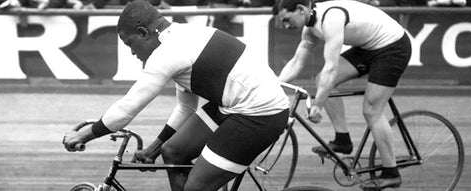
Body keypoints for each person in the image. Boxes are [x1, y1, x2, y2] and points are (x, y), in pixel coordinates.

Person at [62, 1, 290, 191]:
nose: (132, 52)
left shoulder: (167, 53)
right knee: (171, 151)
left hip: (260, 116)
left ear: (143, 33)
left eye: (130, 44)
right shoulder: (181, 35)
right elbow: (186, 108)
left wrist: (84, 135)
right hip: (234, 105)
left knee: (195, 188)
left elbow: (126, 109)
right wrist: (155, 147)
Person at [273, 0, 412, 190]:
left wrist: (318, 105)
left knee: (372, 111)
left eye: (287, 20)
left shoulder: (331, 19)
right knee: (321, 79)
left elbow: (332, 68)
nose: (286, 26)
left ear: (300, 9)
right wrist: (275, 84)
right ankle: (343, 140)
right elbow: (297, 62)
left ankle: (391, 173)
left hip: (392, 47)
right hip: (368, 47)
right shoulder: (310, 29)